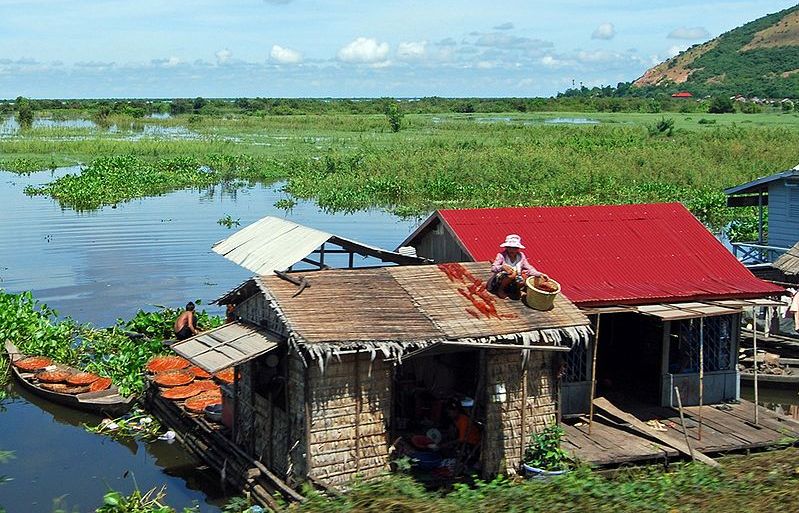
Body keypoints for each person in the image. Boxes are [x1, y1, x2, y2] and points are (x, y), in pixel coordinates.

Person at [487, 234, 547, 300]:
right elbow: (493, 268)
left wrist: (539, 274)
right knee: (512, 275)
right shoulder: (501, 256)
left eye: (514, 248)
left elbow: (529, 267)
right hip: (502, 277)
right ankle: (501, 290)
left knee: (523, 278)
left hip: (516, 276)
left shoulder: (521, 256)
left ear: (518, 249)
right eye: (509, 247)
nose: (511, 250)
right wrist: (502, 267)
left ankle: (516, 290)